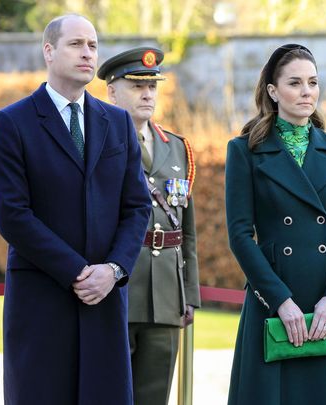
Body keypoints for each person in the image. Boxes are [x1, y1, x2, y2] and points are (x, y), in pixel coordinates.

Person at [0, 14, 151, 405]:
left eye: (93, 45)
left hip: (105, 298)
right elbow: (12, 214)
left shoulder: (117, 122)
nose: (88, 53)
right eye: (76, 44)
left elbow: (137, 206)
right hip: (43, 298)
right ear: (49, 51)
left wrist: (113, 270)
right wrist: (77, 272)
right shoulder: (12, 122)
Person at [225, 44, 326, 405]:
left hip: (323, 306)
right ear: (273, 91)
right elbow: (239, 235)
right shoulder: (244, 151)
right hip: (272, 301)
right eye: (295, 83)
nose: (306, 92)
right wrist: (280, 300)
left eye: (313, 83)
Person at [97, 47, 201, 405]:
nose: (147, 94)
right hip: (118, 286)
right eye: (136, 86)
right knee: (110, 393)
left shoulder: (177, 148)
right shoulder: (98, 144)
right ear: (111, 91)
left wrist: (189, 293)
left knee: (156, 395)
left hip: (166, 294)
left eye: (153, 87)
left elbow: (186, 231)